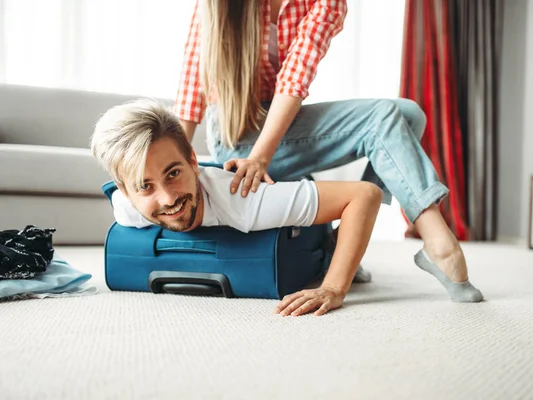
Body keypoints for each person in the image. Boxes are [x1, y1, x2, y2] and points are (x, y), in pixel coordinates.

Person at [173, 0, 484, 302]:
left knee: (407, 115)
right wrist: (178, 158)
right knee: (384, 118)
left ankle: (344, 243)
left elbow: (296, 76)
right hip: (236, 135)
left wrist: (263, 155)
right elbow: (191, 80)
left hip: (277, 124)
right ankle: (440, 245)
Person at [91, 99, 482, 319]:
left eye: (173, 173)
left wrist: (333, 287)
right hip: (238, 134)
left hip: (265, 158)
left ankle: (361, 248)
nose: (167, 198)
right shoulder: (125, 205)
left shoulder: (244, 201)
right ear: (127, 191)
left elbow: (362, 195)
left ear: (193, 161)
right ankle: (336, 243)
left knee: (405, 115)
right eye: (145, 186)